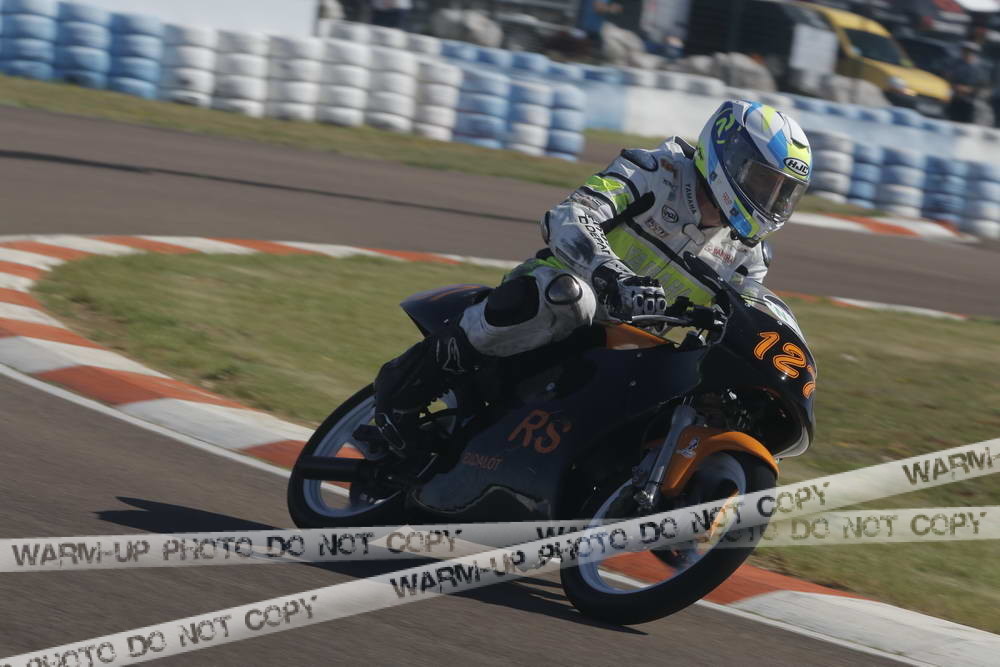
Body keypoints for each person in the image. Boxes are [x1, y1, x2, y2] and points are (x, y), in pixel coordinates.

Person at [366, 100, 813, 455]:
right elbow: (570, 215)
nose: (770, 200)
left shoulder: (749, 256)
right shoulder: (654, 172)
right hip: (564, 290)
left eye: (783, 193)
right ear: (727, 155)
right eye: (762, 183)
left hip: (637, 346)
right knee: (570, 297)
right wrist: (609, 274)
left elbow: (747, 312)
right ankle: (405, 390)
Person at [947, 42, 987, 124]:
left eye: (970, 52)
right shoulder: (956, 65)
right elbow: (949, 78)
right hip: (955, 99)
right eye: (965, 51)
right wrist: (955, 86)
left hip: (969, 101)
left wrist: (968, 89)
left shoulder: (979, 69)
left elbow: (982, 86)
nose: (967, 54)